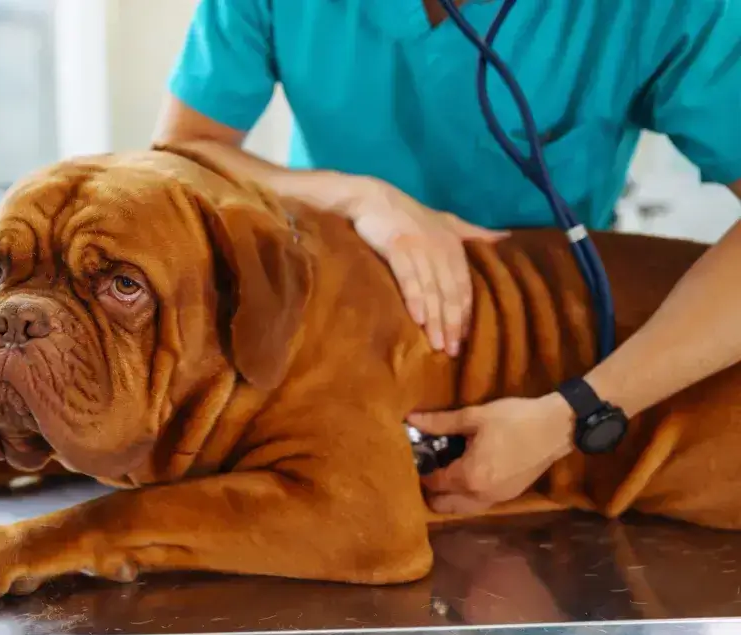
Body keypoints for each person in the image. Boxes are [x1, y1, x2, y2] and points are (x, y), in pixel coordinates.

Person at [153, 0, 741, 515]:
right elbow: (186, 147)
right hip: (330, 332)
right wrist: (359, 196)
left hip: (543, 357)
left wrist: (576, 415)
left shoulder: (672, 11)